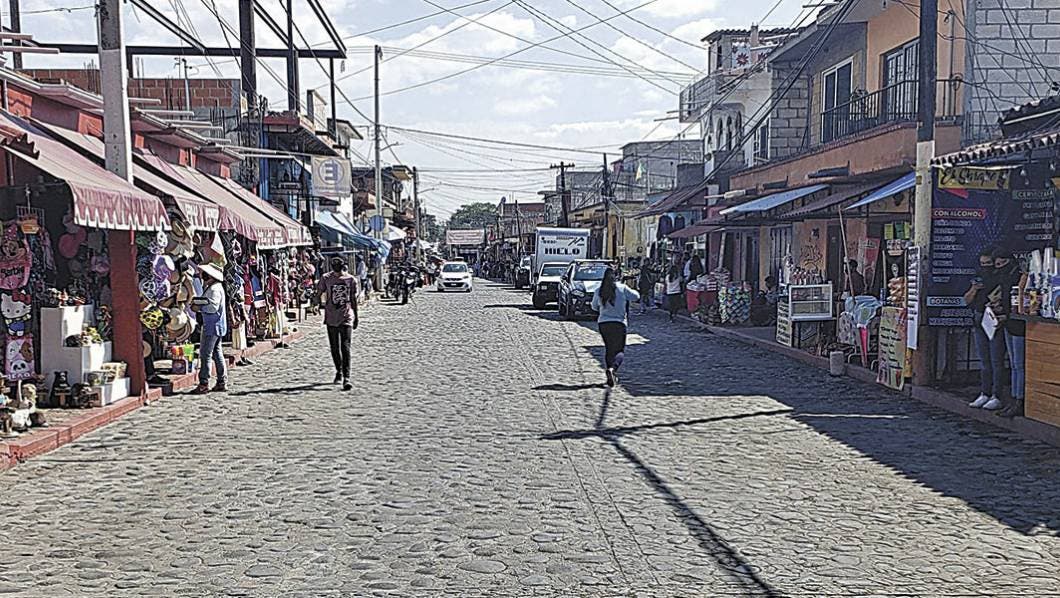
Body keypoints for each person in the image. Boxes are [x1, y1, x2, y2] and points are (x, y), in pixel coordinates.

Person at [965, 246, 1006, 411]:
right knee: (984, 361)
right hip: (979, 318)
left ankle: (997, 395)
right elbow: (966, 300)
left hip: (994, 319)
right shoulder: (978, 278)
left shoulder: (1001, 277)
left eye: (988, 263)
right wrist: (974, 289)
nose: (985, 267)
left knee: (996, 360)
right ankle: (985, 392)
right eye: (982, 264)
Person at [991, 249, 1028, 418]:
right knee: (1014, 364)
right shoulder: (1005, 277)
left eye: (1001, 263)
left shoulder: (1017, 276)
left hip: (1017, 324)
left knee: (1019, 364)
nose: (999, 267)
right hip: (1008, 323)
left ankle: (1019, 399)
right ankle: (1014, 398)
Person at [591, 267, 640, 387]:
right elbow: (636, 296)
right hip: (619, 323)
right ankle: (613, 369)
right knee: (619, 350)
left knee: (609, 349)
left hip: (604, 323)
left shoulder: (599, 290)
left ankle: (610, 374)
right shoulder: (622, 288)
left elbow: (594, 306)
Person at [318, 256, 360, 391]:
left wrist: (356, 316)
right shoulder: (326, 278)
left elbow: (353, 299)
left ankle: (347, 377)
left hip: (346, 316)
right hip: (331, 317)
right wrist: (316, 303)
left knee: (345, 346)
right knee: (334, 347)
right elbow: (319, 292)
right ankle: (339, 371)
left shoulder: (351, 280)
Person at [191, 263, 228, 394]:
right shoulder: (214, 287)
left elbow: (212, 307)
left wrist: (199, 308)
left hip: (212, 326)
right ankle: (221, 381)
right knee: (217, 353)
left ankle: (204, 383)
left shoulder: (214, 289)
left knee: (205, 354)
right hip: (216, 326)